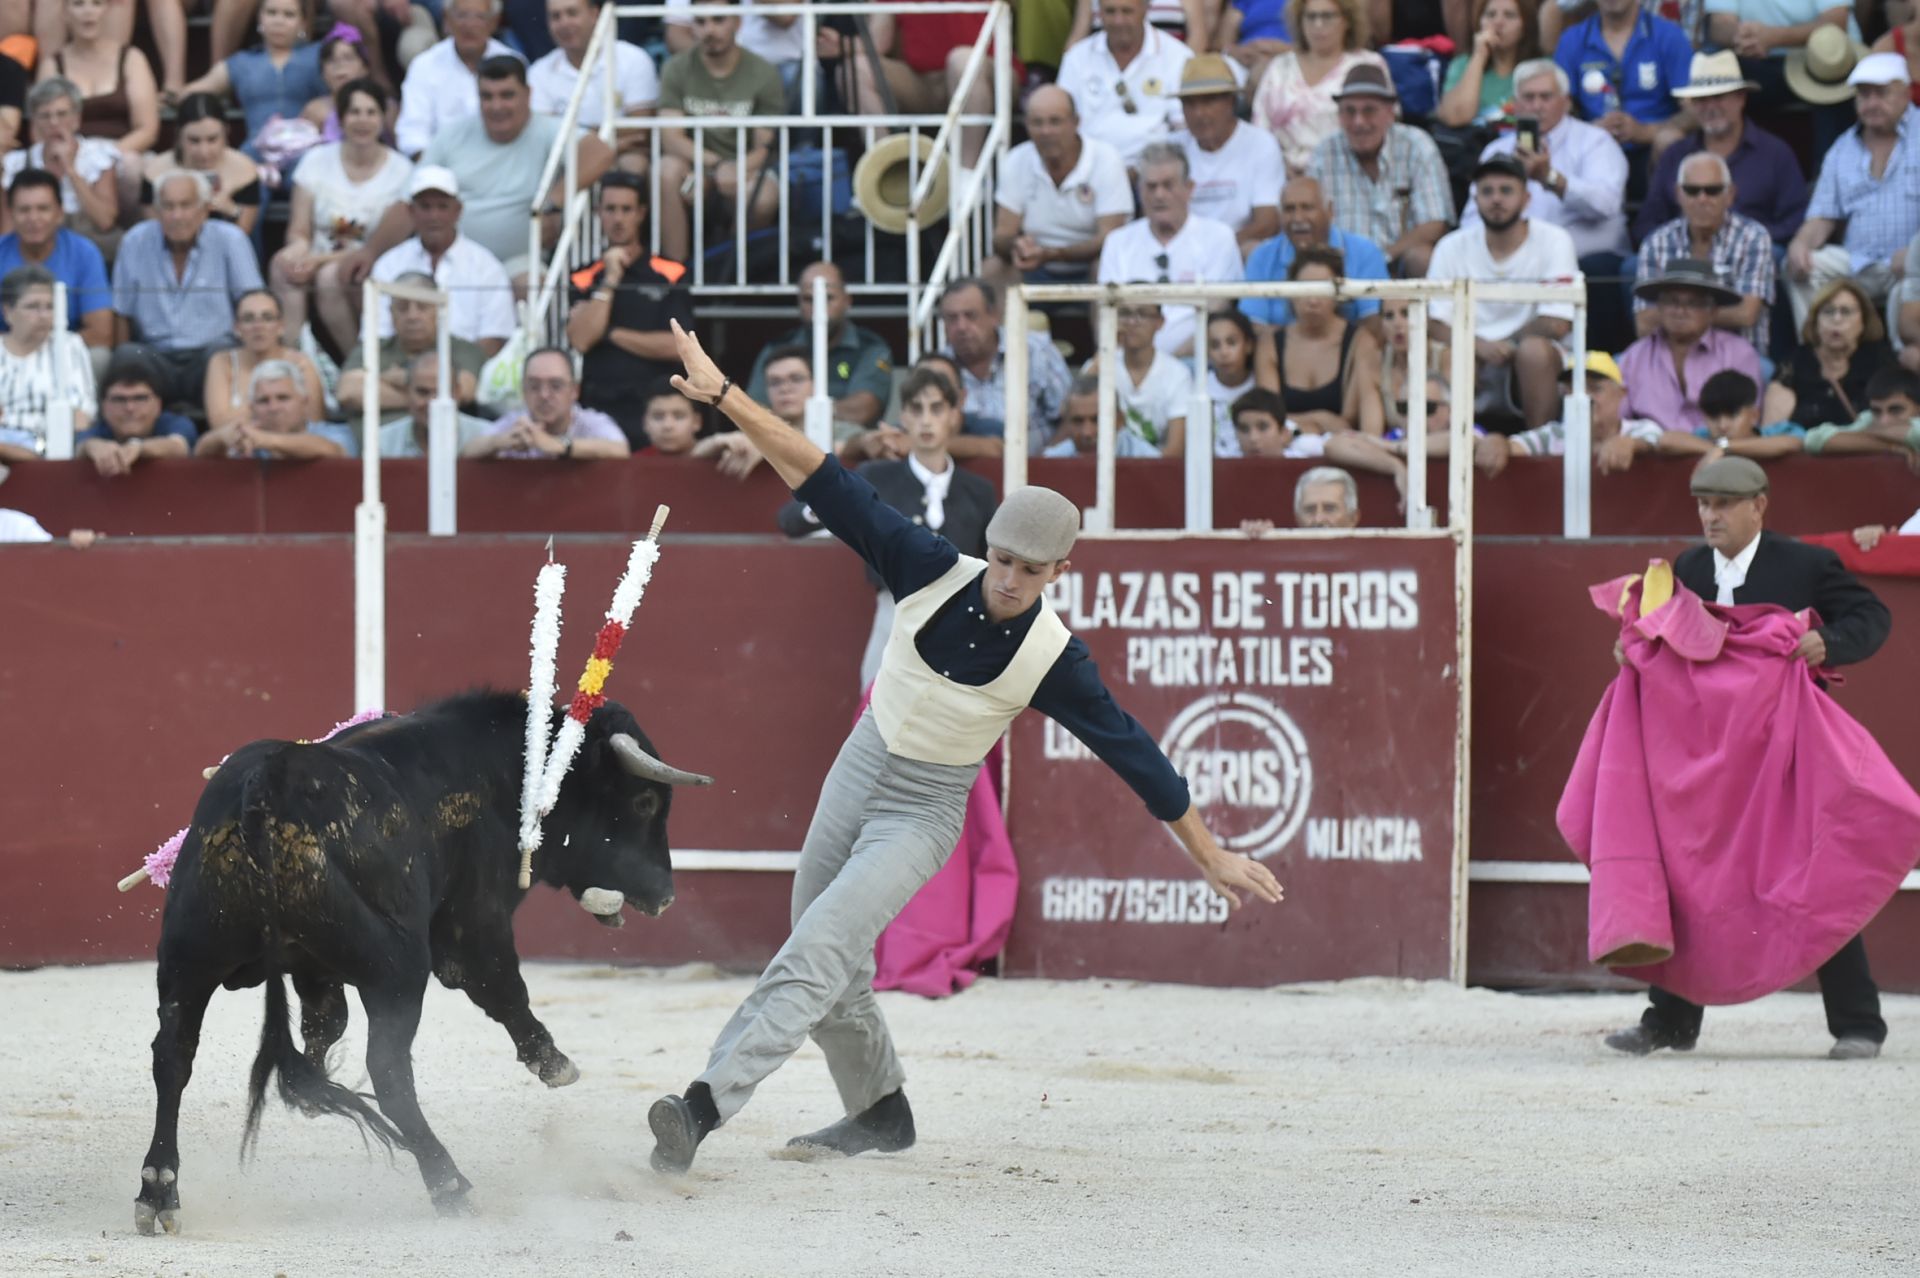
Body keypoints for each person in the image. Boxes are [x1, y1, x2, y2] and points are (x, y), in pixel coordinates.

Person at [644, 315, 1283, 1175]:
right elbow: (814, 470)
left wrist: (1207, 855)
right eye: (1003, 559)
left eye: (1030, 569)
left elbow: (1138, 758)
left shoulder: (1059, 660)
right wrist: (725, 397)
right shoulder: (924, 561)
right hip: (861, 760)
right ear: (988, 547)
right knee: (819, 942)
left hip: (925, 806)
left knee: (819, 945)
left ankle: (702, 1107)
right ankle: (880, 1110)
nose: (1010, 579)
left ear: (1061, 572)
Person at [1602, 455, 1891, 1061]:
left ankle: (1859, 1023)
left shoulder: (1804, 564)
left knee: (1812, 870)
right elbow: (1662, 636)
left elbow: (1872, 615)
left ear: (1759, 505)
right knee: (1692, 877)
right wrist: (1635, 651)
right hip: (1709, 757)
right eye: (1703, 504)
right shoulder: (1687, 568)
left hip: (1785, 752)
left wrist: (1826, 641)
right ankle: (1671, 1022)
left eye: (1723, 504)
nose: (1710, 516)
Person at [779, 365, 1000, 688]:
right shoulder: (877, 478)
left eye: (936, 408)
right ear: (904, 418)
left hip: (960, 620)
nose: (926, 420)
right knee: (878, 713)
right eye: (916, 409)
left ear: (954, 415)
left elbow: (991, 567)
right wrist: (831, 505)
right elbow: (791, 520)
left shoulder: (978, 491)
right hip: (895, 613)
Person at [422, 55, 614, 284]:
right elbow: (409, 199)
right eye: (487, 96)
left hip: (519, 261)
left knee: (531, 285)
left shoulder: (547, 128)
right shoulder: (451, 135)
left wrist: (553, 202)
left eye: (507, 95)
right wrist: (373, 251)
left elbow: (600, 152)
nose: (496, 106)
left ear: (528, 94)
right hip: (454, 257)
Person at [1425, 154, 1578, 429]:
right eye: (1487, 191)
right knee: (1456, 353)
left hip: (1529, 358)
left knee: (1534, 352)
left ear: (1526, 198)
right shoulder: (1451, 246)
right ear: (1475, 200)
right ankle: (1454, 450)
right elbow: (1435, 323)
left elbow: (1557, 322)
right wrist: (1478, 346)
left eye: (1506, 190)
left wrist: (1507, 344)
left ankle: (1537, 448)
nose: (1496, 199)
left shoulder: (1555, 240)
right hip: (1471, 355)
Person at [272, 77, 413, 353]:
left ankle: (357, 360)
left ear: (383, 118)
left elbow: (384, 246)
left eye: (371, 112)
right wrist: (299, 250)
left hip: (370, 262)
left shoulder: (402, 171)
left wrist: (318, 260)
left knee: (329, 276)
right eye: (354, 112)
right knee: (282, 263)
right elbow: (299, 229)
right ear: (341, 118)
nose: (363, 121)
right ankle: (293, 353)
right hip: (317, 254)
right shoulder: (315, 160)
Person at [1784, 52, 1920, 331]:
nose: (1872, 103)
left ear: (1906, 93)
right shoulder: (1842, 148)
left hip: (1912, 264)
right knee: (1798, 265)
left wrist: (1915, 254)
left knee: (1910, 282)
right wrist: (1801, 243)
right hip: (1858, 261)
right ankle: (1819, 356)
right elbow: (1822, 216)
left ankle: (1905, 370)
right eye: (1864, 95)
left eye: (1882, 94)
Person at [112, 171, 265, 406]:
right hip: (155, 355)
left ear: (204, 210)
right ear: (156, 210)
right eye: (168, 206)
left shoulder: (230, 240)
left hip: (210, 355)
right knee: (127, 355)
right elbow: (122, 313)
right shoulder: (135, 241)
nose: (177, 215)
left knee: (224, 351)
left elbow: (252, 302)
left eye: (186, 206)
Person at [564, 172, 693, 446]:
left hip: (657, 411)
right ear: (599, 213)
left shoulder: (670, 273)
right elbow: (582, 339)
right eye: (610, 209)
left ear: (641, 213)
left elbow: (679, 347)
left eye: (626, 209)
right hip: (599, 407)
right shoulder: (583, 276)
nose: (618, 218)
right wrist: (610, 279)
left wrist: (609, 334)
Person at [654, 0, 784, 266]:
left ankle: (729, 269)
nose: (709, 30)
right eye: (701, 22)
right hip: (696, 173)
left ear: (738, 22)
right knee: (666, 170)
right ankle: (674, 275)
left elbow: (765, 147)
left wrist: (736, 169)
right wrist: (717, 165)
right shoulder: (676, 68)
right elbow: (671, 138)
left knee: (763, 196)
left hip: (746, 171)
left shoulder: (763, 72)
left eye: (718, 20)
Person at [1634, 49, 1807, 249]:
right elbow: (1646, 223)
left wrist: (1748, 239)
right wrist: (1683, 243)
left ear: (1741, 98)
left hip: (1752, 254)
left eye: (1719, 97)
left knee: (1776, 254)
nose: (1710, 107)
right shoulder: (1675, 154)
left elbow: (1795, 220)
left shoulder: (1775, 153)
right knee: (1632, 265)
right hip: (1685, 257)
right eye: (1701, 100)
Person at [1096, 142, 1243, 358]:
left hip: (1195, 360)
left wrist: (1165, 367)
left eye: (1168, 185)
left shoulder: (1218, 237)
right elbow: (1108, 314)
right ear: (1139, 190)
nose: (1159, 195)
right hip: (1129, 360)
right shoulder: (1118, 242)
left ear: (1189, 188)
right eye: (1151, 186)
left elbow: (1216, 314)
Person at [1307, 63, 1453, 277]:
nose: (1358, 121)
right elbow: (1312, 222)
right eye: (1349, 111)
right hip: (1341, 267)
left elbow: (1435, 224)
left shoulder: (1417, 145)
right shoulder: (1324, 152)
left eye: (1369, 110)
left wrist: (1379, 260)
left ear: (1390, 113)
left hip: (1398, 263)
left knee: (1422, 257)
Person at [369, 166, 516, 358]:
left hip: (465, 373)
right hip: (400, 369)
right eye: (425, 207)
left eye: (442, 206)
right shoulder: (389, 264)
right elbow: (376, 335)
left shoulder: (486, 267)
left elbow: (494, 338)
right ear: (411, 211)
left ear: (458, 210)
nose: (434, 216)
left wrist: (452, 373)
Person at [1632, 152, 1774, 351]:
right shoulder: (1656, 242)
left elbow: (1747, 313)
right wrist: (1707, 314)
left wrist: (1680, 317)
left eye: (1712, 190)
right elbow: (1644, 322)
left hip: (1737, 359)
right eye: (1692, 190)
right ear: (1678, 194)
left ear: (1730, 194)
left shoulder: (1753, 237)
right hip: (1671, 360)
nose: (1702, 199)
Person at [991, 85, 1132, 282]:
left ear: (1076, 122)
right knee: (994, 268)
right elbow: (1002, 235)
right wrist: (1017, 245)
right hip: (1034, 266)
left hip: (1089, 264)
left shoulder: (1106, 159)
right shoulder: (1016, 160)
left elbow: (1111, 237)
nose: (1046, 131)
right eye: (1037, 123)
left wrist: (1054, 254)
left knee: (1104, 266)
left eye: (1055, 122)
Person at [1618, 257, 1764, 433]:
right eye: (1672, 301)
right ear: (1659, 308)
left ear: (1713, 311)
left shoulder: (1738, 353)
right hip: (1650, 452)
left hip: (1720, 452)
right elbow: (1618, 422)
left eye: (1693, 303)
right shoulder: (1634, 357)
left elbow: (1748, 422)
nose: (1680, 311)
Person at [742, 262, 892, 432]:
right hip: (785, 444)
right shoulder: (778, 348)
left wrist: (798, 410)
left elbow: (863, 410)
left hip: (849, 449)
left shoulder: (870, 348)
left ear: (847, 300)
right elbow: (753, 412)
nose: (817, 307)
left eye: (828, 298)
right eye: (808, 299)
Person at [1551, 0, 1694, 173]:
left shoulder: (1669, 36)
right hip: (1591, 149)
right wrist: (1589, 131)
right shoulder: (1572, 40)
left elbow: (1694, 111)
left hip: (1651, 150)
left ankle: (1663, 199)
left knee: (1669, 140)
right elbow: (1556, 108)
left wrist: (1646, 131)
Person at [936, 276, 1075, 454]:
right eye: (951, 318)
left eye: (970, 316)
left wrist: (1043, 461)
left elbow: (1072, 417)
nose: (961, 326)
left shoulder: (1036, 352)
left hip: (1037, 470)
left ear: (994, 316)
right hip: (959, 475)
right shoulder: (937, 369)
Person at [179, 0, 328, 161]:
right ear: (259, 18)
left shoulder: (320, 56)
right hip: (256, 153)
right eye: (271, 13)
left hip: (307, 151)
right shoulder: (242, 63)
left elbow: (350, 89)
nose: (279, 21)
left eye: (289, 14)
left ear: (302, 23)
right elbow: (197, 89)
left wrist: (328, 102)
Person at [1250, 0, 1387, 173]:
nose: (1318, 24)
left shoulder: (1369, 64)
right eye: (1311, 17)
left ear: (1347, 21)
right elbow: (1260, 130)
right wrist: (1282, 170)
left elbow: (1385, 127)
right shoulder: (1279, 67)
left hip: (1349, 174)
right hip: (1283, 176)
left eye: (1327, 16)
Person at [1055, 0, 1193, 170]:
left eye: (1127, 12)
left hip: (1153, 174)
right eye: (1110, 12)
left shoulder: (1178, 56)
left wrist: (1144, 169)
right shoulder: (1076, 58)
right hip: (1090, 171)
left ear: (1145, 9)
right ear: (1099, 12)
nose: (1118, 21)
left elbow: (1183, 129)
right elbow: (1061, 121)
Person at [1473, 350, 1660, 473]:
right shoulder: (1554, 434)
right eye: (1574, 389)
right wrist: (1496, 441)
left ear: (1621, 394)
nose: (1585, 398)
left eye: (1595, 388)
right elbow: (1512, 446)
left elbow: (1659, 443)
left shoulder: (1640, 430)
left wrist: (1631, 444)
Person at [1241, 175, 1388, 330]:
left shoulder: (1365, 253)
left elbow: (1374, 324)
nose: (1297, 218)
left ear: (1330, 211)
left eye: (1307, 208)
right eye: (1289, 209)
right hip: (1280, 353)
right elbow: (1254, 327)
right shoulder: (1261, 257)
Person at [1173, 54, 1282, 256]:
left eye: (1208, 102)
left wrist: (1217, 249)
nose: (1199, 113)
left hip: (1238, 248)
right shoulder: (1172, 148)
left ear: (1231, 102)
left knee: (1255, 251)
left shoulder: (1260, 144)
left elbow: (1267, 222)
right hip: (1182, 251)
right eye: (1190, 103)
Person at [1255, 245, 1371, 433]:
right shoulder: (1270, 344)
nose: (1313, 300)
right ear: (1291, 291)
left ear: (1339, 294)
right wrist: (1322, 420)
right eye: (1306, 288)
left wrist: (1295, 423)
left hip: (1341, 449)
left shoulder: (1360, 341)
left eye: (1322, 289)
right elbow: (1269, 416)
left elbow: (1348, 421)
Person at [338, 272, 484, 419]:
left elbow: (463, 390)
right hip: (362, 440)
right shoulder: (372, 348)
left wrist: (402, 378)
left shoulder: (461, 349)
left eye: (422, 307)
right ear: (391, 313)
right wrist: (426, 397)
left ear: (438, 310)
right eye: (402, 308)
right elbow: (348, 393)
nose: (412, 316)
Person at [0, 168, 111, 357]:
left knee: (99, 356)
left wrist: (42, 349)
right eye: (24, 210)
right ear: (10, 213)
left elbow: (100, 334)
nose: (33, 219)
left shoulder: (85, 253)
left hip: (66, 352)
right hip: (7, 354)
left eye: (43, 209)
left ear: (60, 213)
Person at [395, 0, 521, 158]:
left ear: (494, 22)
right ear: (447, 19)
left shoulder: (513, 64)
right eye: (462, 15)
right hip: (440, 168)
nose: (469, 25)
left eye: (479, 17)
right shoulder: (424, 66)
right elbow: (412, 135)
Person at [1762, 278, 1891, 431]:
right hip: (1805, 452)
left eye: (1846, 312)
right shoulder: (1795, 364)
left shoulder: (1881, 360)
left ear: (1863, 322)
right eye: (1828, 312)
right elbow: (1772, 431)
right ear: (1816, 323)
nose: (1836, 319)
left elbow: (1896, 424)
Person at [40, 0, 160, 162]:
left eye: (96, 3)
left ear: (106, 11)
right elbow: (41, 126)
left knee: (131, 164)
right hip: (70, 156)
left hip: (122, 153)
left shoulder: (132, 58)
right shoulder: (52, 64)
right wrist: (77, 157)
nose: (88, 11)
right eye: (78, 4)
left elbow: (147, 129)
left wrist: (104, 156)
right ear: (65, 13)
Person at [462, 346, 631, 459]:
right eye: (534, 386)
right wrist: (499, 442)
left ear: (574, 391)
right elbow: (468, 452)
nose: (544, 395)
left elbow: (621, 450)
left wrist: (561, 445)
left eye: (556, 386)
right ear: (524, 392)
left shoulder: (590, 422)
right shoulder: (517, 424)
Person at [0, 78, 117, 242]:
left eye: (62, 114)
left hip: (87, 246)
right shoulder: (16, 163)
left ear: (77, 118)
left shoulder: (99, 157)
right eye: (44, 116)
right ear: (34, 121)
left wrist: (70, 169)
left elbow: (105, 221)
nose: (54, 122)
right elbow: (7, 230)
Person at [0, 263, 95, 460]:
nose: (43, 315)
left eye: (50, 307)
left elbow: (81, 414)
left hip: (51, 447)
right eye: (33, 307)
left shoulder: (69, 345)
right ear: (8, 311)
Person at [530, 0, 658, 142]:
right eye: (555, 16)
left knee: (634, 162)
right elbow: (545, 138)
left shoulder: (634, 59)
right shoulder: (539, 72)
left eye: (572, 13)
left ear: (595, 14)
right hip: (567, 162)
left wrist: (581, 139)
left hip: (623, 158)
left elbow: (640, 132)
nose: (564, 23)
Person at [140, 93, 265, 236]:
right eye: (194, 141)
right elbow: (154, 232)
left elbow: (243, 235)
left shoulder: (244, 170)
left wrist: (232, 211)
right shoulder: (155, 173)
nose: (204, 152)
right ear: (179, 136)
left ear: (226, 132)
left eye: (212, 139)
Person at [203, 289, 327, 431]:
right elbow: (218, 424)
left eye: (267, 317)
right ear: (237, 328)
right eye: (249, 319)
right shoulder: (222, 362)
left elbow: (315, 422)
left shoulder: (301, 364)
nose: (258, 326)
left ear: (281, 326)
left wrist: (250, 414)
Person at [192, 359, 356, 458]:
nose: (274, 407)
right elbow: (201, 454)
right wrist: (221, 437)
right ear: (252, 408)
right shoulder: (245, 439)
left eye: (283, 398)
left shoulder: (338, 433)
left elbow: (329, 449)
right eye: (263, 401)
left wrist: (263, 440)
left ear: (304, 402)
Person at [74, 356, 197, 476]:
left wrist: (139, 448)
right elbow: (82, 445)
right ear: (104, 407)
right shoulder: (101, 429)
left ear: (158, 404)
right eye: (119, 399)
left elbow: (178, 446)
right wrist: (93, 447)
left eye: (140, 398)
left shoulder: (176, 423)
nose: (130, 408)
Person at [1357, 295, 1453, 438]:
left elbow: (1457, 426)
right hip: (1395, 447)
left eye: (1406, 314)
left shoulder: (1447, 358)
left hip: (1442, 445)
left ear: (1425, 319)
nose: (1397, 324)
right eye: (1389, 316)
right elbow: (1371, 434)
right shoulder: (1373, 363)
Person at [1655, 366, 1804, 458]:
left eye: (1732, 415)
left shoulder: (1778, 431)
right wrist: (1716, 448)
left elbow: (1792, 443)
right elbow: (1666, 440)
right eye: (1713, 416)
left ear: (1754, 415)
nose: (1722, 425)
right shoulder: (1704, 436)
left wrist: (1724, 448)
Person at [377, 350, 504, 457]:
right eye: (423, 392)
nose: (432, 403)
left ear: (457, 393)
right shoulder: (383, 442)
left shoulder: (487, 435)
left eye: (441, 393)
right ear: (407, 393)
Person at [1435, 0, 1542, 127]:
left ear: (1525, 25)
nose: (1498, 22)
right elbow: (1457, 117)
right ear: (1479, 23)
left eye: (1509, 15)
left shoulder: (1541, 68)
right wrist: (1479, 56)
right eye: (1490, 15)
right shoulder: (1462, 65)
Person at [1112, 299, 1189, 455]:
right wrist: (1109, 346)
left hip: (1155, 472)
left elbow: (1175, 450)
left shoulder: (1178, 373)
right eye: (1125, 314)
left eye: (1142, 314)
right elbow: (1072, 411)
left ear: (1160, 322)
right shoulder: (1101, 365)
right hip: (1108, 467)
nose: (1132, 322)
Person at [1797, 365, 1920, 460]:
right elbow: (1814, 439)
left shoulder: (1872, 425)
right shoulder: (1868, 419)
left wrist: (1865, 435)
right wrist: (1890, 447)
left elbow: (1913, 434)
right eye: (1876, 411)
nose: (1884, 420)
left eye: (1896, 410)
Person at [1041, 373, 1165, 457]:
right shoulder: (1054, 460)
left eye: (1097, 420)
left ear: (1120, 420)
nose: (1087, 432)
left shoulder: (1150, 461)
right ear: (1066, 423)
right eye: (1078, 421)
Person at [1206, 310, 1258, 456]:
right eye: (1215, 345)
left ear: (1248, 345)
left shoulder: (1261, 383)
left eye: (1232, 342)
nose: (1224, 352)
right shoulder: (1198, 389)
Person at [634, 375, 712, 455]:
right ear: (644, 423)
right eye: (658, 417)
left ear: (697, 422)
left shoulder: (718, 455)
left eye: (679, 416)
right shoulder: (633, 464)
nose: (667, 426)